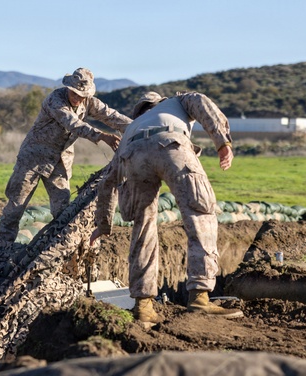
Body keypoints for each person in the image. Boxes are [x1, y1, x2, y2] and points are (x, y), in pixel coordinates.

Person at [91, 91, 242, 320]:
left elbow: (108, 183)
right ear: (159, 103)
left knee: (143, 226)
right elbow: (201, 102)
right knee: (200, 214)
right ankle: (200, 297)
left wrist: (102, 225)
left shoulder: (132, 128)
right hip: (171, 144)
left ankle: (143, 306)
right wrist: (222, 142)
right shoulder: (177, 102)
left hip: (133, 156)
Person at [0, 67, 132, 246]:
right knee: (17, 203)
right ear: (68, 88)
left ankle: (57, 246)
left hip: (60, 162)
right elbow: (74, 125)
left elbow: (112, 116)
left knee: (62, 209)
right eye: (74, 93)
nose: (77, 97)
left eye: (81, 95)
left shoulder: (89, 103)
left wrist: (138, 127)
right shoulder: (55, 100)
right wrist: (103, 136)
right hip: (33, 158)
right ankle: (2, 245)